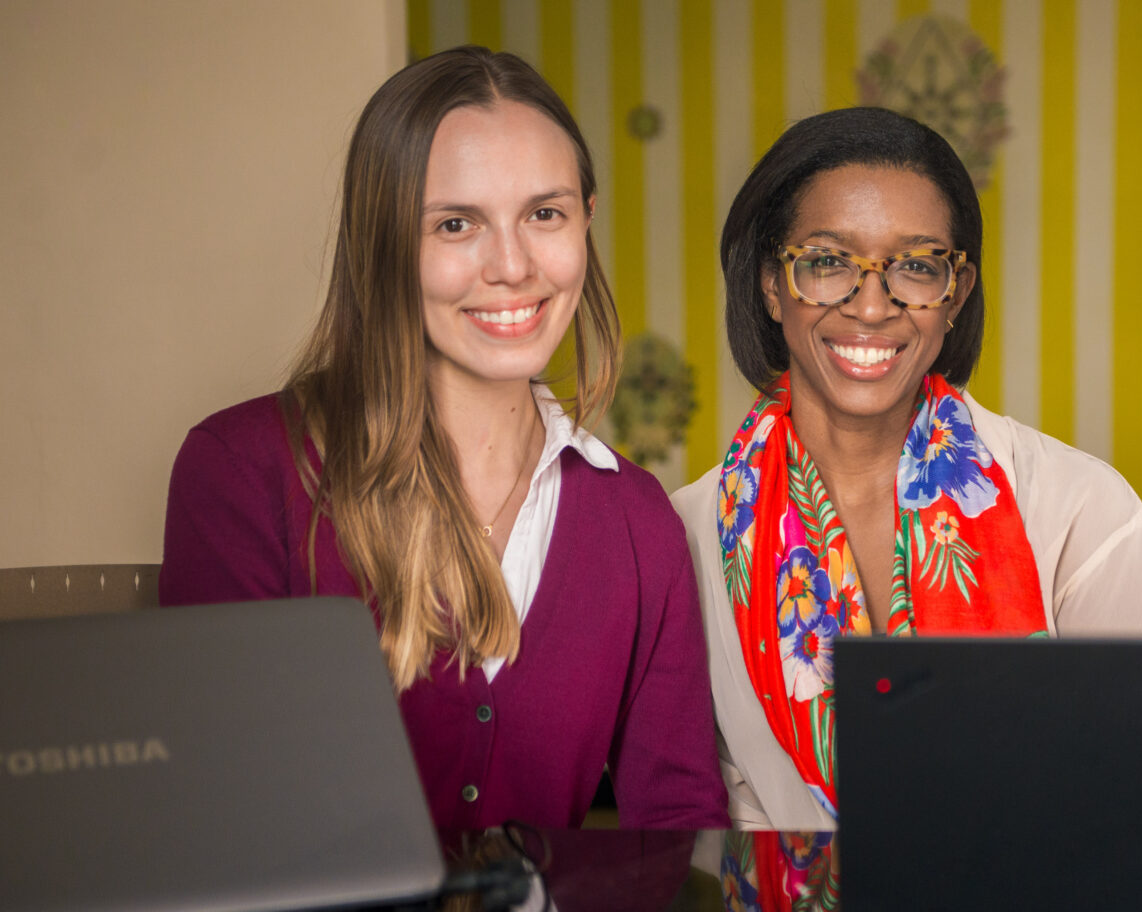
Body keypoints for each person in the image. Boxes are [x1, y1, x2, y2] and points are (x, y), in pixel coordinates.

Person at [160, 45, 729, 845]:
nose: (511, 266)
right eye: (455, 224)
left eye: (545, 214)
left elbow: (678, 836)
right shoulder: (243, 471)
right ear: (384, 242)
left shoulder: (638, 523)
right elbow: (214, 819)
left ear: (586, 222)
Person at [671, 107, 1142, 836]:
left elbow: (1137, 815)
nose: (872, 306)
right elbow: (712, 829)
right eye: (827, 261)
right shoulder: (683, 539)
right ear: (771, 285)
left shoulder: (1085, 517)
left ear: (956, 292)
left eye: (916, 265)